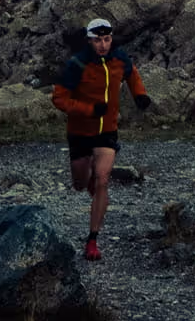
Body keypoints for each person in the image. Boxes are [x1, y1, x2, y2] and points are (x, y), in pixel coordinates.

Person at [52, 17, 151, 260]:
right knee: (80, 183)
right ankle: (89, 185)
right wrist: (87, 110)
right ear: (89, 40)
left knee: (103, 179)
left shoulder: (120, 58)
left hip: (107, 130)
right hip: (80, 132)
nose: (103, 45)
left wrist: (140, 94)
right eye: (98, 40)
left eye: (107, 39)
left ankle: (92, 240)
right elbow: (59, 98)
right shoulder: (77, 64)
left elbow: (132, 73)